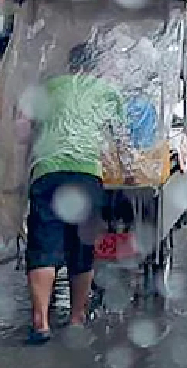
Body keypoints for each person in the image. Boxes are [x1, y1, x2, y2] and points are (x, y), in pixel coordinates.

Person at [20, 41, 122, 343]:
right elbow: (119, 138)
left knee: (42, 246)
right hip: (86, 174)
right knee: (82, 248)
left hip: (47, 171)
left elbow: (27, 130)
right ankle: (76, 319)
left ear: (70, 64)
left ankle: (40, 323)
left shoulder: (49, 87)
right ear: (96, 65)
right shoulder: (108, 92)